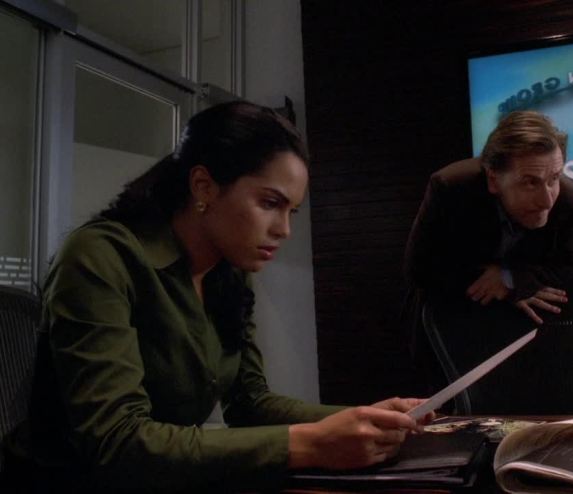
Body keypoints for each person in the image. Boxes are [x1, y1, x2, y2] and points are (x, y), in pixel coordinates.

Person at [3, 101, 431, 493]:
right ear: (204, 186)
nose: (284, 230)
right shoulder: (99, 257)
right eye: (270, 203)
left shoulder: (228, 272)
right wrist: (309, 443)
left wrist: (364, 420)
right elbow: (118, 443)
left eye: (291, 211)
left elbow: (250, 402)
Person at [403, 110, 573, 400]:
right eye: (530, 182)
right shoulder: (451, 187)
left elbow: (571, 264)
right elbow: (419, 267)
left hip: (524, 331)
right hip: (450, 319)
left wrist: (510, 279)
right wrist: (489, 280)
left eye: (554, 178)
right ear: (493, 179)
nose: (547, 200)